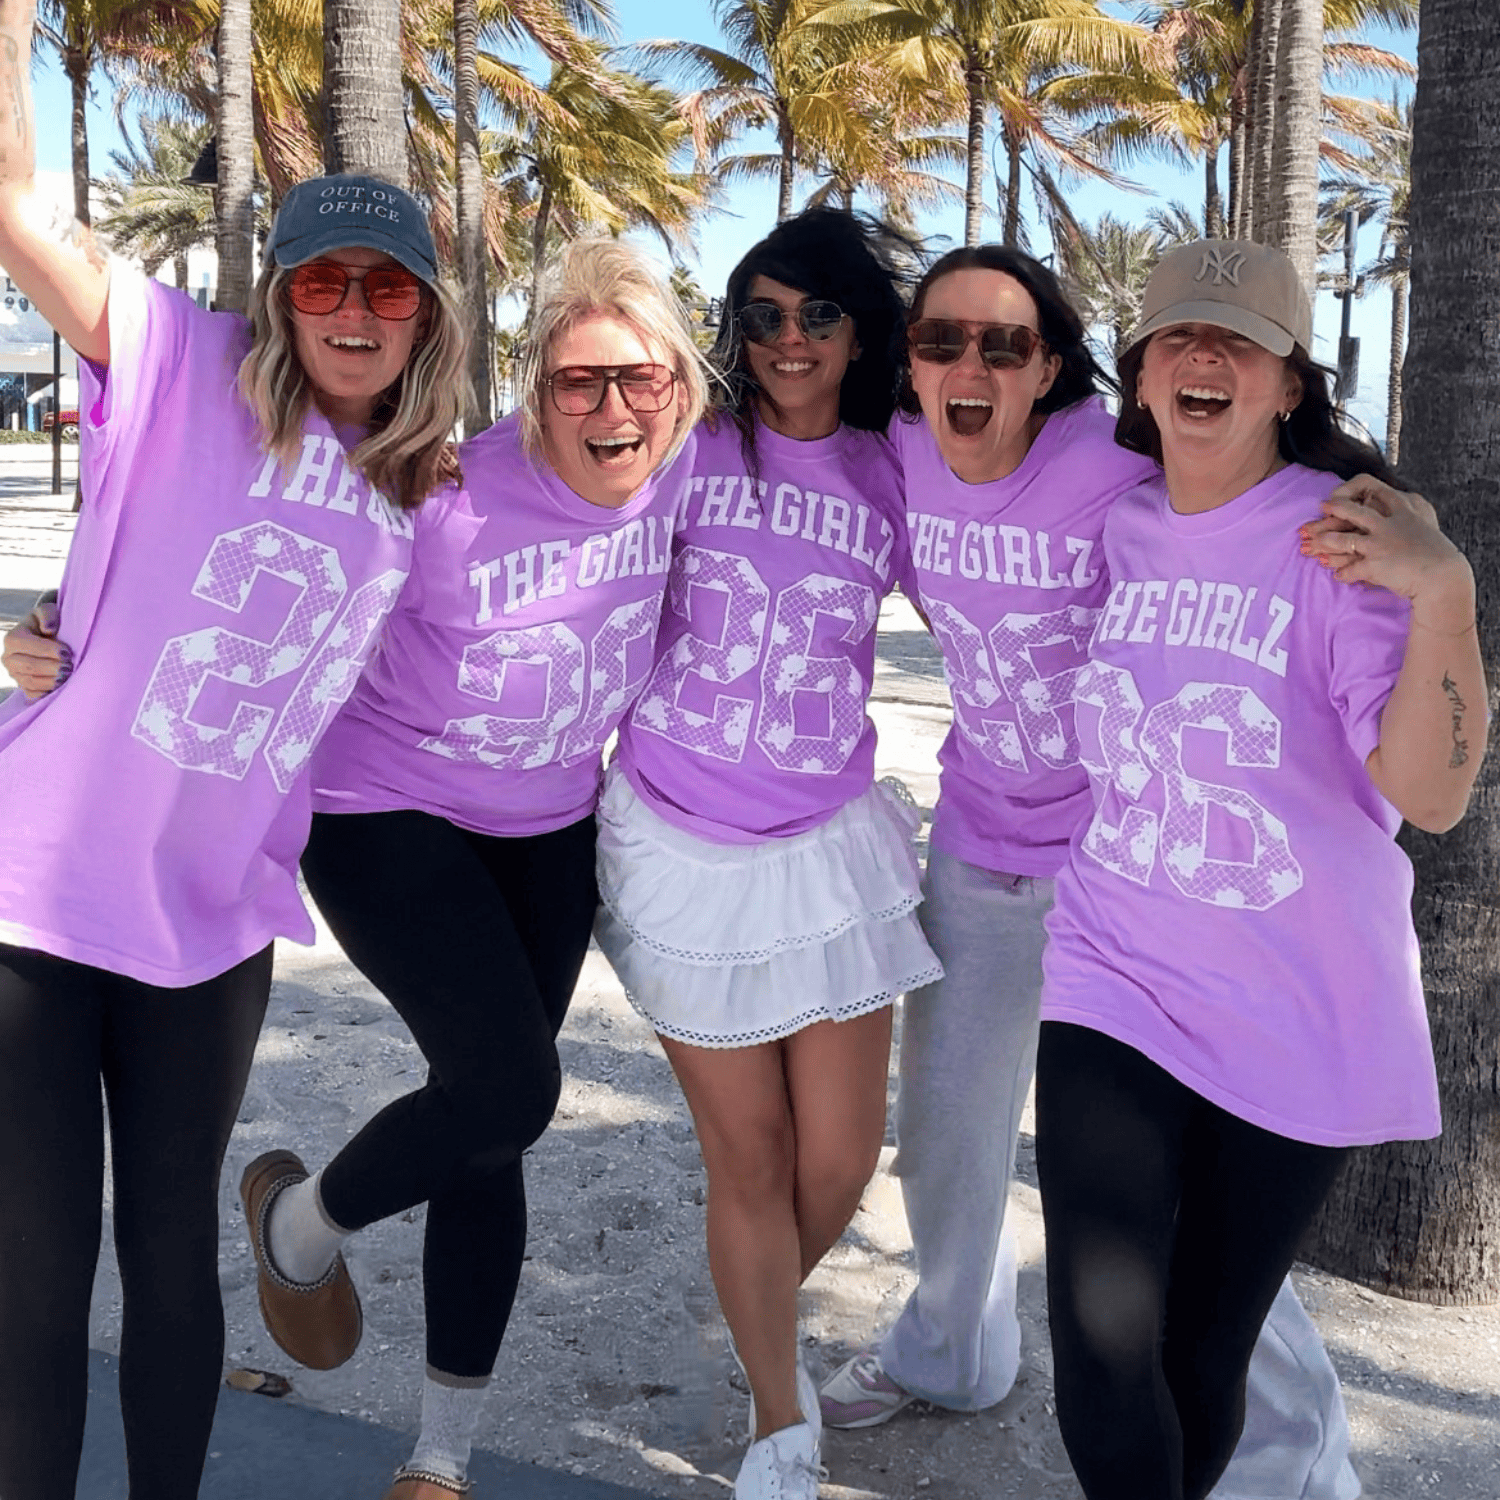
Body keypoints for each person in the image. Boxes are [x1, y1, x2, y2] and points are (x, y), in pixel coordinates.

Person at [0, 5, 466, 1495]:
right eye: (321, 279)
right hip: (33, 899)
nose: (352, 309)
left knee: (172, 1261)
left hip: (210, 923)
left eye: (386, 287)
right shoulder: (183, 364)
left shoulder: (428, 495)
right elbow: (14, 201)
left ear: (425, 318)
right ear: (278, 299)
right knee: (34, 1275)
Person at [818, 245, 1366, 1500]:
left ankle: (1300, 1458)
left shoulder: (1114, 462)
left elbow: (1252, 506)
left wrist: (1396, 531)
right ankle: (953, 1352)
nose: (969, 364)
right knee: (947, 1138)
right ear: (911, 364)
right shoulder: (902, 453)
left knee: (1173, 1222)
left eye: (1004, 343)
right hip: (976, 842)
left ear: (1052, 366)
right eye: (941, 340)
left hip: (1119, 873)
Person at [238, 238, 710, 1500]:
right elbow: (263, 571)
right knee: (508, 1088)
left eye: (640, 378)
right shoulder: (443, 492)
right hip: (383, 811)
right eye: (577, 382)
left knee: (492, 1126)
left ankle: (440, 1458)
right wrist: (57, 628)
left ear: (679, 386)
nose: (612, 409)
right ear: (534, 389)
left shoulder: (687, 475)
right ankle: (299, 1227)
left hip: (551, 829)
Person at [1035, 239, 1485, 1500]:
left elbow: (1433, 796)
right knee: (1104, 1357)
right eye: (1178, 335)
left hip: (1301, 1004)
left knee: (1201, 1353)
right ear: (1139, 375)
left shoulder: (1343, 542)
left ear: (1290, 385)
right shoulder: (1121, 521)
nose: (1205, 356)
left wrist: (1445, 597)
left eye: (1240, 341)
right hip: (1114, 975)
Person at [593, 208, 942, 1500]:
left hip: (826, 851)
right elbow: (561, 529)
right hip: (676, 846)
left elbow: (995, 569)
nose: (790, 340)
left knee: (839, 1159)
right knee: (746, 1156)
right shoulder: (691, 448)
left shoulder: (894, 470)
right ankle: (778, 1423)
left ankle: (756, 1326)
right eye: (764, 316)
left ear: (861, 330)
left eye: (818, 315)